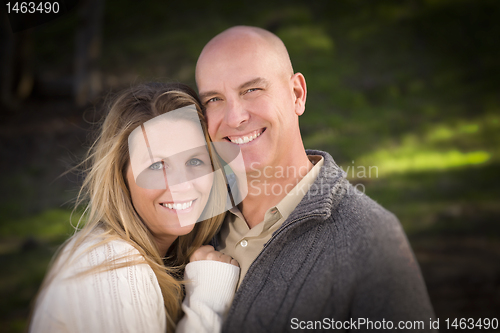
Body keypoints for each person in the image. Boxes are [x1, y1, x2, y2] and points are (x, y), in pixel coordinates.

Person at [196, 26, 436, 332]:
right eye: (214, 99)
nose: (234, 117)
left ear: (297, 94)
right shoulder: (189, 219)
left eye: (252, 90)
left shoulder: (371, 237)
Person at [29, 82, 240, 333]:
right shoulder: (113, 267)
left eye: (195, 160)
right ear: (121, 177)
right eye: (156, 166)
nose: (181, 185)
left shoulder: (162, 253)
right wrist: (208, 300)